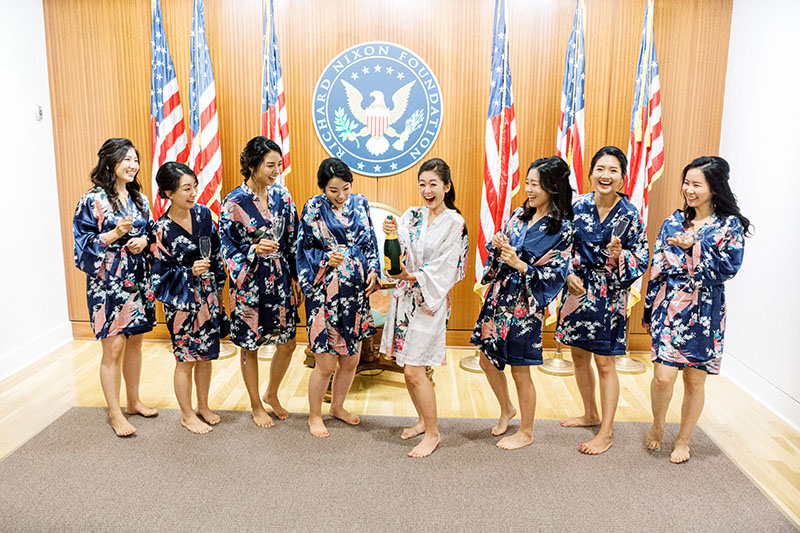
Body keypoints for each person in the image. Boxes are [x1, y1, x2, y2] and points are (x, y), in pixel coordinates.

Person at [643, 156, 749, 463]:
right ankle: (658, 423)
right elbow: (658, 267)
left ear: (714, 188)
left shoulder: (730, 226)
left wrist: (695, 248)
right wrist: (650, 308)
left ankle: (684, 438)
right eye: (686, 183)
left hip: (705, 310)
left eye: (696, 184)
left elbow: (729, 268)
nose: (689, 190)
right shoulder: (673, 222)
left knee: (694, 379)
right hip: (670, 304)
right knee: (663, 376)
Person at [471, 156, 575, 450]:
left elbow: (556, 274)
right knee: (486, 358)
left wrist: (522, 265)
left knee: (519, 368)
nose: (528, 189)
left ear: (553, 187)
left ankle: (526, 431)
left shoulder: (562, 229)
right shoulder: (519, 214)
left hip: (525, 305)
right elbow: (501, 252)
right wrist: (498, 246)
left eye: (535, 184)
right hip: (499, 298)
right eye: (527, 183)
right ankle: (507, 408)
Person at [555, 146, 650, 455]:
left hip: (609, 294)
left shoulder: (630, 214)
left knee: (605, 363)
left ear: (622, 177)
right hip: (577, 290)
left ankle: (606, 431)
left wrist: (620, 255)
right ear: (591, 172)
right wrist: (566, 272)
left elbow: (642, 256)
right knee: (579, 356)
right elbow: (560, 246)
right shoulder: (576, 205)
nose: (605, 176)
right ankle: (590, 413)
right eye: (600, 169)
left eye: (613, 171)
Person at [380, 158, 469, 458]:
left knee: (416, 370)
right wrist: (391, 232)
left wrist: (410, 275)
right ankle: (421, 421)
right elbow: (400, 249)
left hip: (430, 302)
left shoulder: (454, 223)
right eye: (422, 184)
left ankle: (433, 432)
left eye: (433, 184)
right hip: (405, 300)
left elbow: (447, 265)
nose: (427, 190)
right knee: (407, 369)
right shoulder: (412, 215)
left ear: (447, 186)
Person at [73, 138, 158, 437]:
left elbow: (152, 233)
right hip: (107, 282)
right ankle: (114, 412)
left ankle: (133, 401)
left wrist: (145, 241)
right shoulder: (92, 200)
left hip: (137, 279)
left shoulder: (141, 200)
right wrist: (111, 235)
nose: (133, 165)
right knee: (114, 345)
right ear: (110, 162)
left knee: (135, 341)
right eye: (127, 159)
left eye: (135, 159)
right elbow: (81, 247)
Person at [220, 137, 302, 427]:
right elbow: (226, 248)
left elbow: (294, 240)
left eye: (279, 164)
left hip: (279, 279)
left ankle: (271, 393)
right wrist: (253, 250)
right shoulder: (233, 202)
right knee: (250, 345)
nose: (276, 170)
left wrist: (295, 277)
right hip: (249, 284)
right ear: (252, 166)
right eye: (270, 165)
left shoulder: (283, 196)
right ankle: (256, 403)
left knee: (288, 343)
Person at [296, 157, 380, 438]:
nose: (341, 196)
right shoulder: (313, 207)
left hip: (354, 291)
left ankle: (338, 407)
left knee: (351, 359)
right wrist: (324, 260)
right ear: (323, 188)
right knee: (325, 363)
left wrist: (373, 270)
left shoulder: (360, 203)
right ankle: (314, 414)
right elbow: (303, 249)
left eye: (345, 188)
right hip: (324, 292)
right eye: (334, 190)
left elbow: (370, 243)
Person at [152, 162, 227, 434]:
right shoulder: (160, 230)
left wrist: (218, 288)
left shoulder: (205, 215)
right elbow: (158, 275)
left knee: (206, 355)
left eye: (195, 186)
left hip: (208, 297)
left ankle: (203, 406)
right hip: (181, 303)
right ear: (169, 193)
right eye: (186, 188)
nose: (193, 193)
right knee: (186, 358)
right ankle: (186, 414)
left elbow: (217, 253)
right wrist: (188, 271)